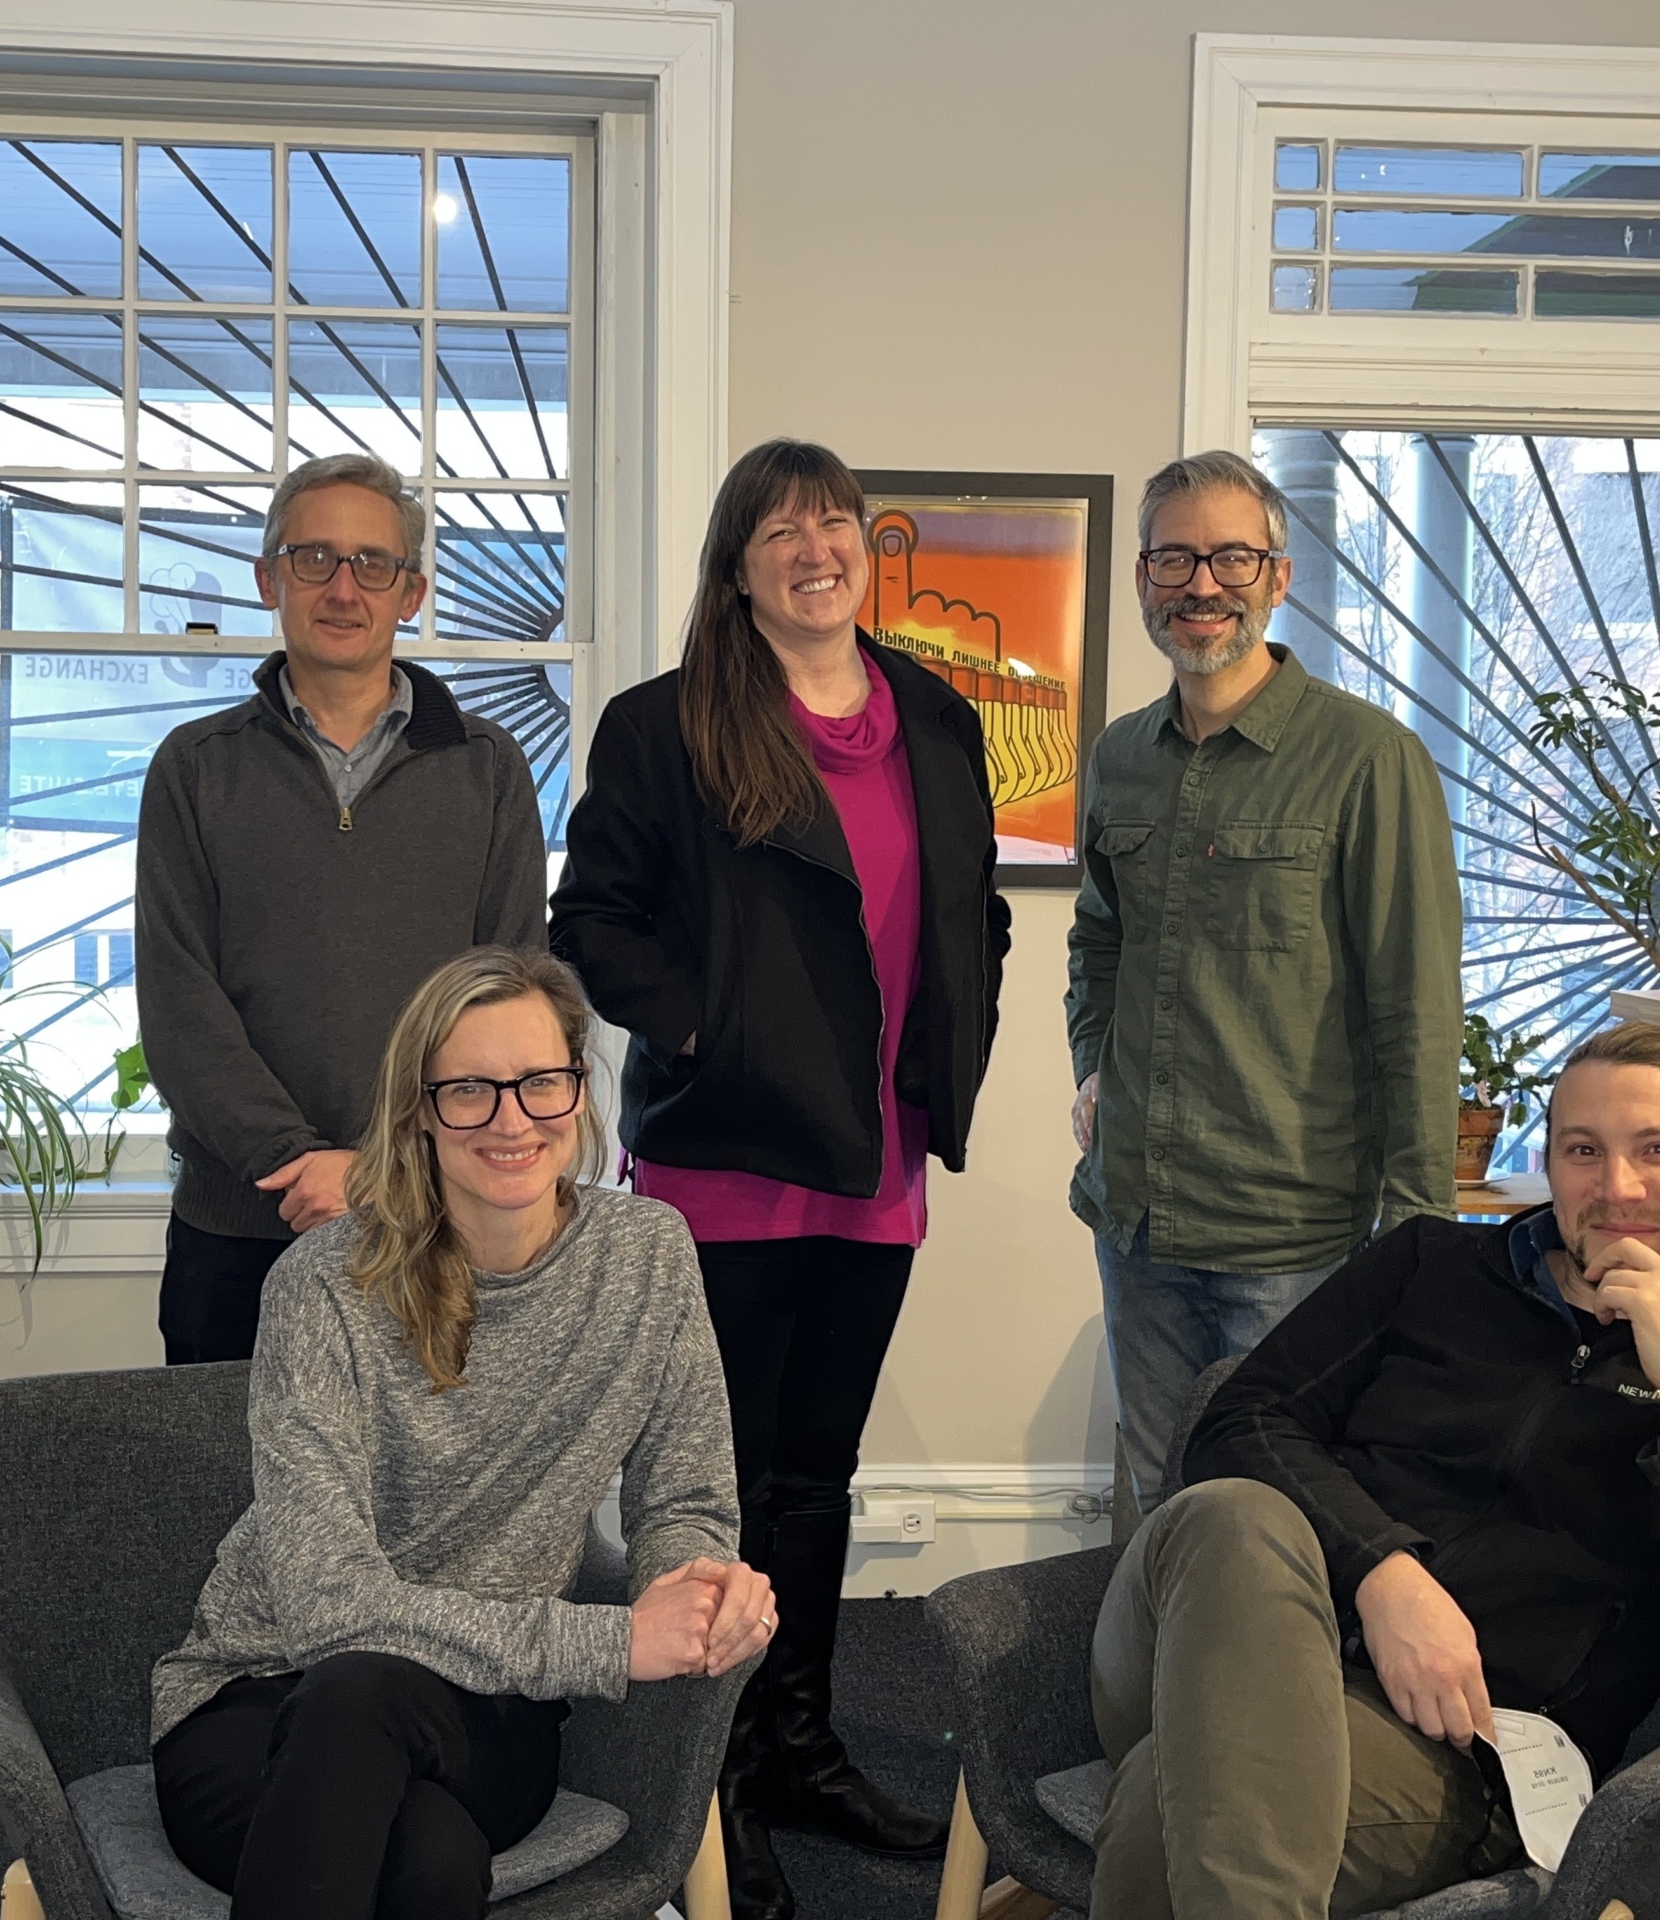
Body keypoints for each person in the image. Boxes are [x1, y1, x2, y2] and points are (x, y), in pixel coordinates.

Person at [1083, 1023, 1660, 1920]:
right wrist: (1388, 1574)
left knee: (1170, 1809)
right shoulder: (1428, 1266)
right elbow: (1240, 1422)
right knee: (1231, 1513)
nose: (1616, 1187)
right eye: (1583, 1150)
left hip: (1460, 1746)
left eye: (1658, 1151)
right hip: (1212, 1637)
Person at [551, 438, 1011, 1919]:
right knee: (719, 1496)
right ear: (737, 563)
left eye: (833, 522)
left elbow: (974, 911)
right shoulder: (666, 727)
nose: (812, 546)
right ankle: (715, 1785)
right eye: (777, 527)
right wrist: (705, 1026)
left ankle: (800, 1744)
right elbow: (593, 923)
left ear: (864, 550)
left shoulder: (935, 717)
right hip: (728, 1171)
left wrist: (962, 1026)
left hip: (876, 1169)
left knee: (817, 1482)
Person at [149, 944, 771, 1920]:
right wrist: (612, 1644)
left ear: (578, 1090)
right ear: (419, 1112)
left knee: (385, 1750)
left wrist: (696, 1587)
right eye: (470, 1091)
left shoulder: (647, 1257)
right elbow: (330, 1611)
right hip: (262, 1691)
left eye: (538, 1083)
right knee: (426, 1849)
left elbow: (686, 1500)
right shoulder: (323, 1286)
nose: (510, 1119)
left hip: (489, 1712)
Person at [1067, 447, 1463, 1526]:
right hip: (1137, 1221)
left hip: (1295, 1238)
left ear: (1278, 578)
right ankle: (1157, 1702)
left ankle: (1278, 1703)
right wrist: (1091, 1068)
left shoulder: (1368, 760)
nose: (1203, 586)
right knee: (1161, 1503)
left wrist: (1418, 1234)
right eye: (1176, 558)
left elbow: (1416, 1007)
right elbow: (1096, 938)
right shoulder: (1117, 758)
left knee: (1285, 1515)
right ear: (1143, 576)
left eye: (1233, 557)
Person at [135, 452, 551, 1363]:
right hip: (239, 1226)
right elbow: (178, 1002)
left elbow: (509, 997)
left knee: (429, 1499)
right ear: (267, 578)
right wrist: (298, 1163)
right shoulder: (197, 769)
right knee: (226, 1495)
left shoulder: (488, 769)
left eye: (373, 564)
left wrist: (383, 1171)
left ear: (411, 592)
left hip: (436, 1221)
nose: (342, 588)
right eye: (313, 558)